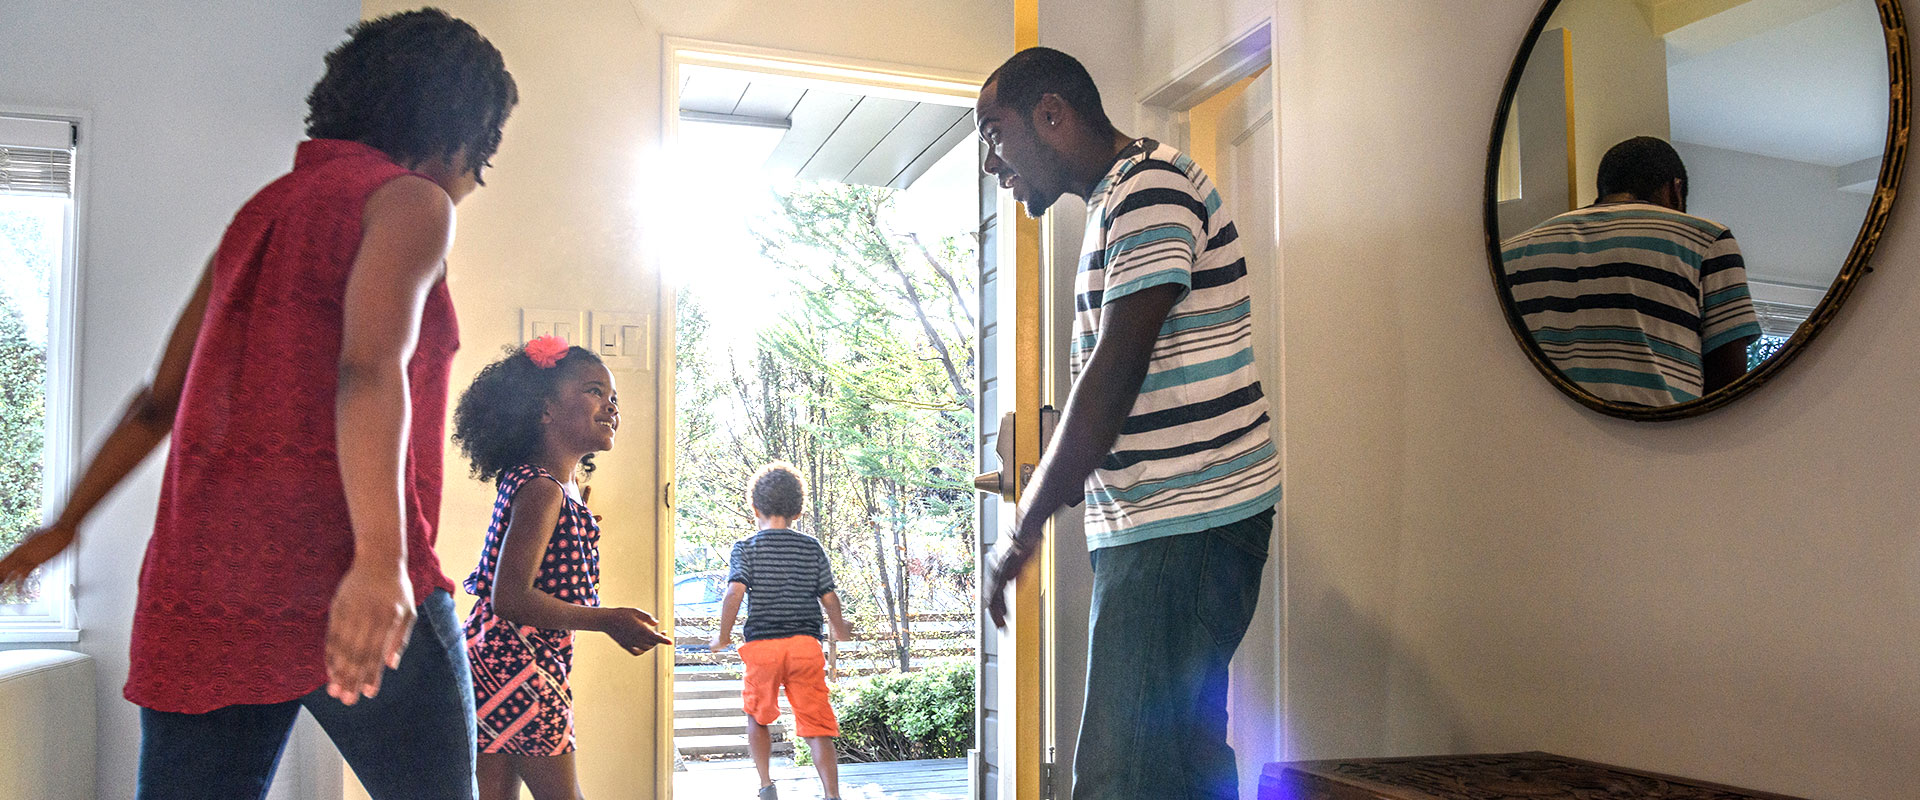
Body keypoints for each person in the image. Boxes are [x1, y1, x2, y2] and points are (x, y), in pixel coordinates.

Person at [0, 9, 515, 799]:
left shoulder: (260, 215)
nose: (474, 185)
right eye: (481, 162)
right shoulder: (411, 203)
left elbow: (154, 405)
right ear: (459, 133)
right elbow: (368, 368)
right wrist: (380, 563)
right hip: (353, 577)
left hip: (208, 591)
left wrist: (63, 526)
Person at [976, 47, 1282, 800]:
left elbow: (1116, 370)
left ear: (1052, 114)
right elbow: (1121, 385)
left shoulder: (1150, 187)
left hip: (1187, 521)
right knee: (1177, 764)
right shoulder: (1126, 195)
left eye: (995, 132)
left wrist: (1027, 520)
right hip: (1169, 526)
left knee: (1127, 777)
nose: (992, 162)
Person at [452, 336, 672, 800]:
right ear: (545, 409)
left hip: (488, 658)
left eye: (614, 397)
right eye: (594, 391)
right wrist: (609, 620)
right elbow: (509, 597)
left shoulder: (551, 486)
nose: (611, 406)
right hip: (522, 664)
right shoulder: (543, 490)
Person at [1501, 136, 1763, 406]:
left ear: (1602, 190)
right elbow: (1727, 392)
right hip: (1653, 441)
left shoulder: (1509, 251)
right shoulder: (1707, 240)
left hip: (1530, 438)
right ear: (1675, 190)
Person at [709, 462, 854, 800]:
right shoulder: (811, 548)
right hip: (805, 646)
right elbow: (828, 595)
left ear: (755, 508)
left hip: (763, 648)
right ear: (797, 511)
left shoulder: (745, 548)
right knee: (818, 725)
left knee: (757, 717)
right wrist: (840, 627)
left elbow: (735, 592)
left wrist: (723, 634)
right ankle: (832, 795)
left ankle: (765, 785)